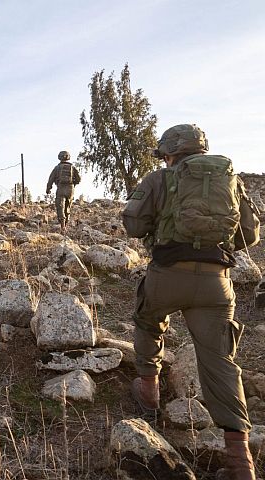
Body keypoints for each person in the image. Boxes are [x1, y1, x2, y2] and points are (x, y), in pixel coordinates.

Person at [122, 124, 261, 480]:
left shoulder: (158, 178)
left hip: (167, 273)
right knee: (220, 361)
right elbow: (251, 233)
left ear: (170, 152)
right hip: (217, 284)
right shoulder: (230, 180)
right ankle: (239, 459)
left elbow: (134, 225)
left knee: (147, 318)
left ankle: (149, 388)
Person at [46, 150, 81, 234]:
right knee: (67, 207)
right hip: (70, 189)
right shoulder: (73, 167)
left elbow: (51, 179)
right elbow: (79, 179)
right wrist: (73, 184)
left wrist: (48, 188)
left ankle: (63, 226)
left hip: (61, 187)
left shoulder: (57, 168)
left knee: (60, 206)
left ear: (59, 157)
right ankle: (66, 224)